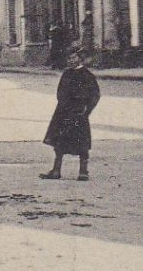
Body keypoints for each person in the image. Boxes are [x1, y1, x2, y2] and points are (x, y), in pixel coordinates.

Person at [41, 44, 101, 182]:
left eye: (74, 57)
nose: (71, 61)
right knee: (59, 142)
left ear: (80, 58)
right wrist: (63, 104)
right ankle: (56, 170)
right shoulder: (66, 74)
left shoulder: (88, 75)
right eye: (69, 58)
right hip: (64, 112)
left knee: (82, 142)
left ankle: (83, 171)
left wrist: (87, 109)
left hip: (80, 113)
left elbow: (95, 95)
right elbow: (60, 92)